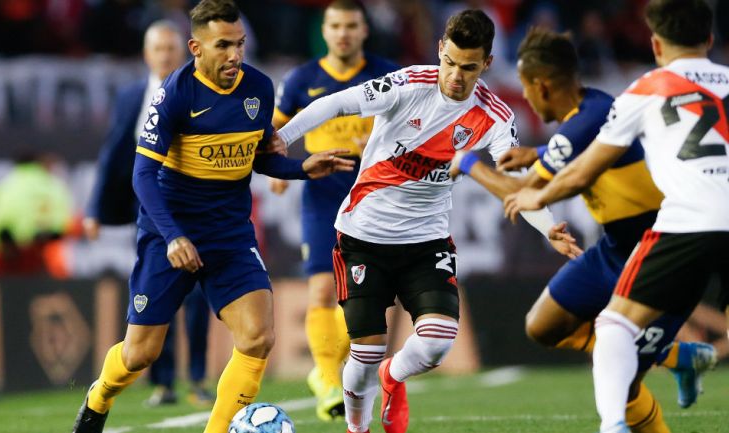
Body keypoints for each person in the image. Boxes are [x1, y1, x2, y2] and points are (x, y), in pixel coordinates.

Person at [275, 10, 578, 433]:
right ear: (440, 49)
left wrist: (548, 227)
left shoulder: (495, 117)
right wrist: (284, 137)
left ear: (486, 64)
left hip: (426, 240)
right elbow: (337, 102)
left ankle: (393, 376)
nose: (455, 75)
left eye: (468, 67)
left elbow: (513, 184)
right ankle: (357, 429)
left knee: (436, 344)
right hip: (364, 235)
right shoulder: (407, 83)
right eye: (450, 62)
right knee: (363, 357)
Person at [71, 1, 355, 433]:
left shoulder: (258, 88)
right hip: (172, 234)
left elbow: (258, 158)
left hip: (229, 236)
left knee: (258, 337)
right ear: (196, 48)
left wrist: (301, 167)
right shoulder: (174, 94)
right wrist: (172, 237)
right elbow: (142, 175)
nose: (234, 55)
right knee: (139, 355)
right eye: (223, 45)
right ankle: (100, 396)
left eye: (239, 44)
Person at [465, 27, 717, 433]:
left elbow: (524, 191)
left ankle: (656, 376)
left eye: (526, 90)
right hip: (615, 247)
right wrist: (540, 152)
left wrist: (464, 161)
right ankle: (677, 357)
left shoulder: (587, 120)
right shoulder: (591, 112)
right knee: (542, 326)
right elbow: (588, 150)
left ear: (541, 86)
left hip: (659, 253)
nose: (526, 99)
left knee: (624, 379)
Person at [269, 0, 399, 421]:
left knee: (365, 298)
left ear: (364, 30)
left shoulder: (387, 75)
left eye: (351, 25)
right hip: (322, 199)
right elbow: (275, 129)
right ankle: (327, 378)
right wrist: (277, 167)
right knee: (323, 290)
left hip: (377, 201)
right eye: (336, 25)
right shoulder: (302, 79)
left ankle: (332, 371)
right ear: (324, 31)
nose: (343, 33)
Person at [83, 20, 215, 409]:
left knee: (196, 297)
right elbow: (112, 155)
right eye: (158, 49)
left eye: (171, 49)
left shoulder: (200, 93)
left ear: (184, 51)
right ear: (147, 54)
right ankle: (163, 383)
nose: (165, 56)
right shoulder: (129, 97)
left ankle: (198, 379)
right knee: (156, 294)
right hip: (148, 210)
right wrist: (94, 209)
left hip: (194, 207)